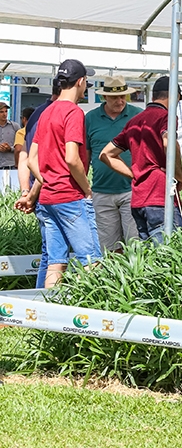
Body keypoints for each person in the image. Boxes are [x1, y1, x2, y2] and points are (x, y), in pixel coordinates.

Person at [28, 59, 101, 288]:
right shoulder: (73, 112)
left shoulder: (46, 112)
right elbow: (72, 157)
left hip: (48, 198)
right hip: (70, 197)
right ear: (80, 82)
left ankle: (44, 317)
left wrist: (46, 180)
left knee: (56, 262)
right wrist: (86, 188)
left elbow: (31, 160)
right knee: (92, 261)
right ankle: (91, 313)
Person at [100, 76, 182, 243]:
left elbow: (105, 154)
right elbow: (170, 143)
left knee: (148, 256)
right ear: (174, 96)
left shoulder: (134, 121)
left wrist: (135, 173)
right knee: (170, 254)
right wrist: (179, 176)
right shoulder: (166, 117)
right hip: (160, 197)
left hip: (139, 199)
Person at [85, 76, 143, 252]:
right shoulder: (91, 118)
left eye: (123, 96)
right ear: (104, 97)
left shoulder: (137, 115)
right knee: (108, 247)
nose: (120, 101)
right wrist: (84, 186)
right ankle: (115, 278)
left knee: (135, 245)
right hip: (102, 191)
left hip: (132, 189)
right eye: (114, 97)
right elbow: (86, 154)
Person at [14, 83, 61, 288]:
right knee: (57, 257)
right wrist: (32, 193)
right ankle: (48, 310)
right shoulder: (55, 114)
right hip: (53, 194)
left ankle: (38, 305)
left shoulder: (36, 114)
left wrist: (26, 191)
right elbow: (42, 161)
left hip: (41, 194)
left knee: (49, 253)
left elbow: (24, 155)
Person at [0, 101, 20, 170]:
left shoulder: (15, 126)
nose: (4, 114)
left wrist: (10, 149)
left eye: (6, 111)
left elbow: (21, 147)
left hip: (11, 166)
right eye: (1, 112)